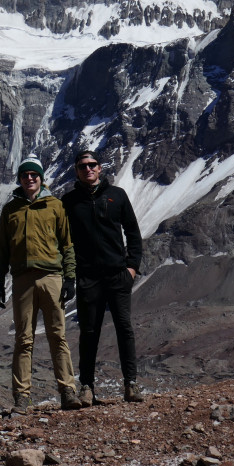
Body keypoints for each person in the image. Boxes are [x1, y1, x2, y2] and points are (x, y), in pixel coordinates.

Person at [0, 153, 82, 413]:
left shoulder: (55, 205)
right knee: (24, 339)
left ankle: (68, 391)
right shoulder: (11, 209)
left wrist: (69, 278)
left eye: (34, 175)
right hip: (22, 281)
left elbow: (67, 245)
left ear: (41, 179)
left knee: (58, 335)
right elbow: (2, 250)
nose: (29, 178)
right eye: (25, 175)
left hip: (51, 278)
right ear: (20, 179)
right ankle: (22, 397)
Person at [61, 149, 144, 405]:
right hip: (88, 277)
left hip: (117, 274)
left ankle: (130, 384)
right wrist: (70, 277)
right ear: (77, 170)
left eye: (92, 164)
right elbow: (64, 241)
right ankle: (87, 387)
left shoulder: (117, 196)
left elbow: (132, 231)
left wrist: (131, 268)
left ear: (100, 167)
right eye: (83, 166)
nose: (88, 169)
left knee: (124, 328)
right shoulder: (70, 201)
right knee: (89, 332)